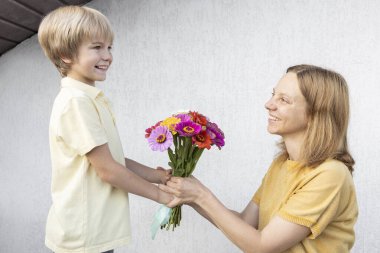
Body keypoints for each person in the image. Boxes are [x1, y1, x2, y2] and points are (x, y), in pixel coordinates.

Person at [160, 64, 358, 253]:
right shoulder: (281, 164)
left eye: (284, 100)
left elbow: (261, 246)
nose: (269, 104)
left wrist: (200, 195)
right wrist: (190, 195)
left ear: (316, 113)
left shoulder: (330, 175)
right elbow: (245, 223)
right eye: (274, 95)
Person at [38, 6, 172, 253]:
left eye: (109, 47)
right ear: (66, 54)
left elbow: (113, 161)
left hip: (94, 232)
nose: (108, 55)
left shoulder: (89, 99)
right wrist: (161, 196)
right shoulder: (76, 102)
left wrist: (158, 176)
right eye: (97, 47)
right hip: (85, 235)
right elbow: (109, 171)